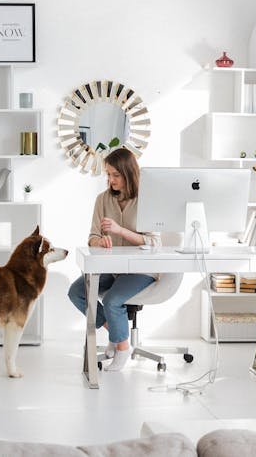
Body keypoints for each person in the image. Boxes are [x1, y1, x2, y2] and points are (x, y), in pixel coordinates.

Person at [67, 147, 159, 372]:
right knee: (77, 292)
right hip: (112, 267)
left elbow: (154, 242)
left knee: (111, 301)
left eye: (115, 175)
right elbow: (92, 237)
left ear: (129, 174)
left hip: (141, 270)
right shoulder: (103, 199)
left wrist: (120, 231)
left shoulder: (147, 199)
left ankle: (122, 348)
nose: (110, 179)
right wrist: (100, 242)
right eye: (108, 174)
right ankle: (117, 336)